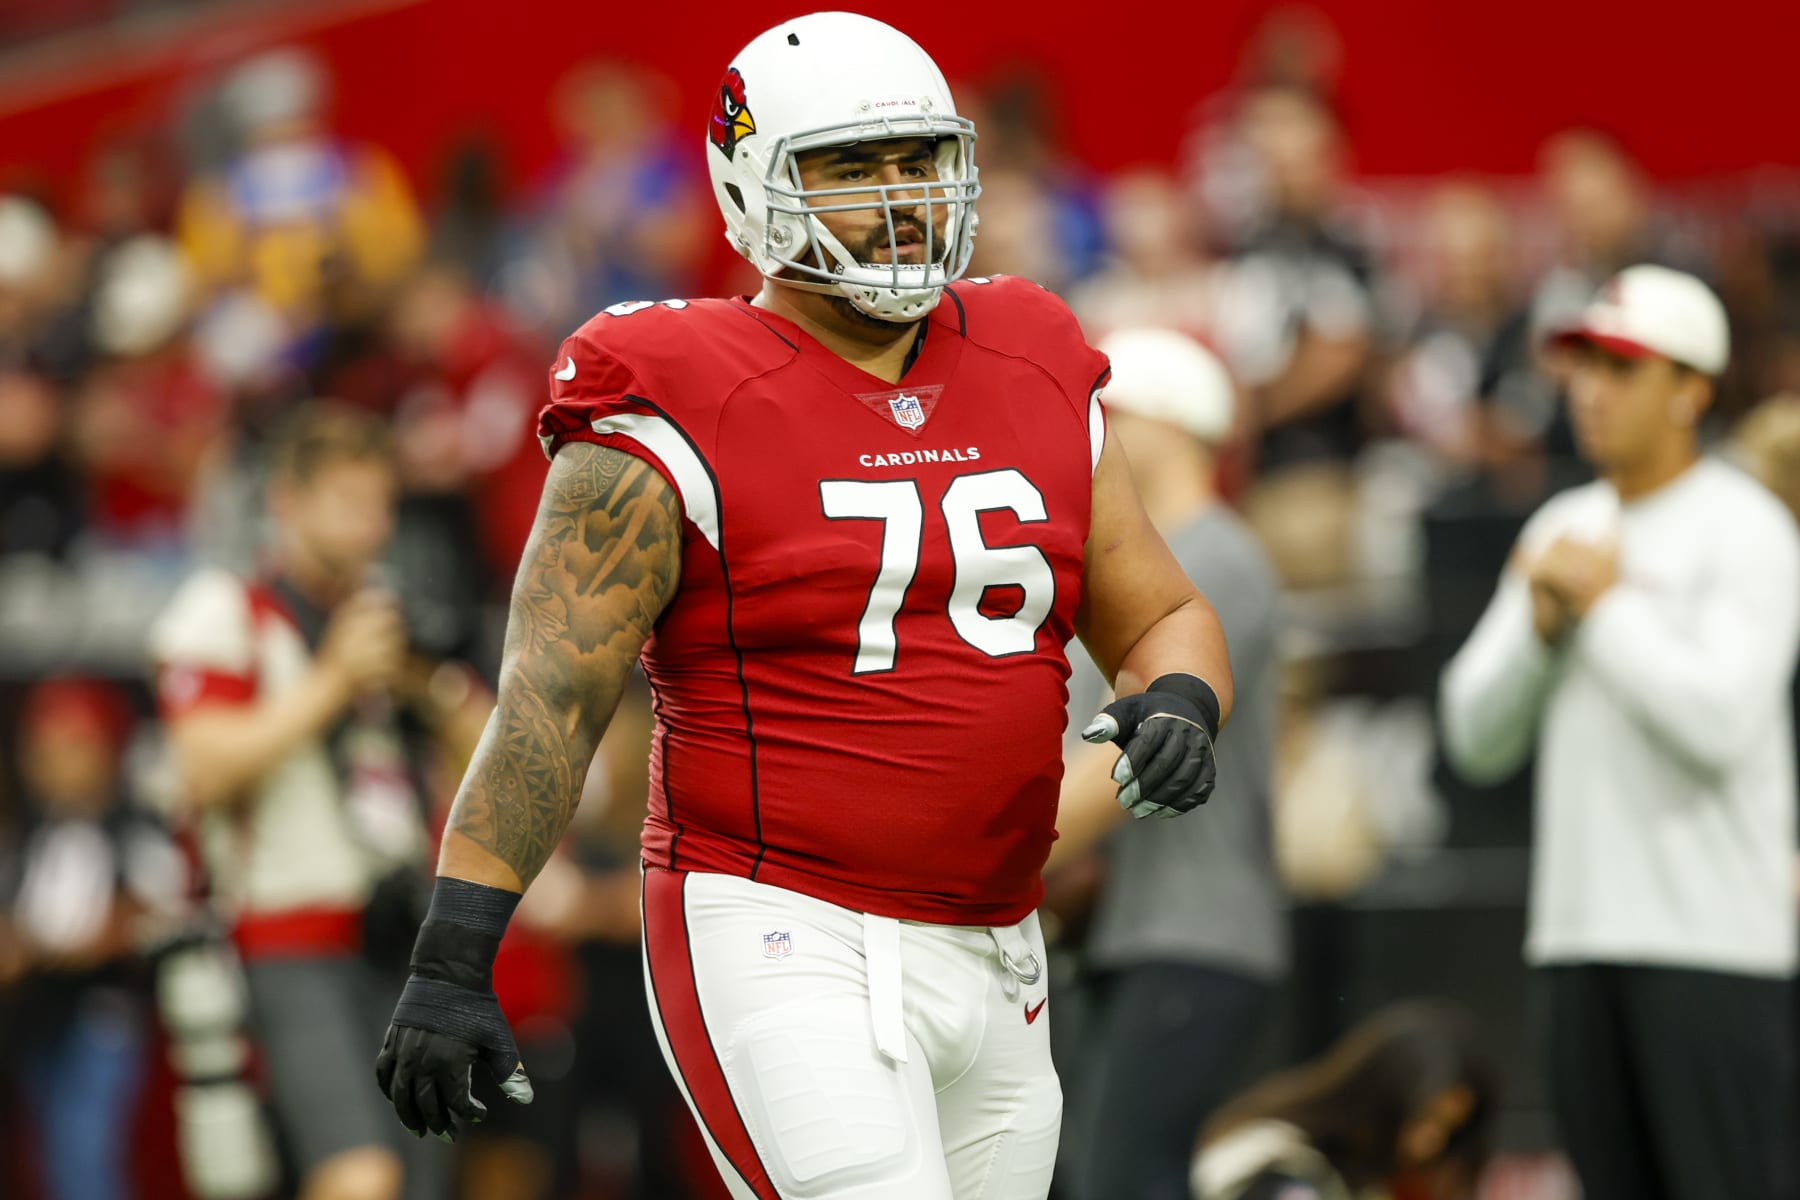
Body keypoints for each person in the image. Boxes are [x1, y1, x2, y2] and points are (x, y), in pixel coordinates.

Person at [372, 13, 1235, 1200]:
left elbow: (1159, 617)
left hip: (999, 939)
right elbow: (550, 701)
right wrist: (457, 949)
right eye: (847, 167)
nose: (896, 197)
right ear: (751, 184)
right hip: (782, 925)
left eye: (917, 159)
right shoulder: (671, 386)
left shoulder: (1031, 347)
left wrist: (1181, 699)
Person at [1439, 265, 1800, 1199]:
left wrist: (1602, 610)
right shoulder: (1568, 522)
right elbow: (1472, 734)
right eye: (1584, 364)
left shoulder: (1749, 528)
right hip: (1577, 938)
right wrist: (1544, 636)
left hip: (1716, 949)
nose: (1591, 390)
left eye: (1623, 368)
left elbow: (1720, 722)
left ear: (1692, 391)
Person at [151, 402, 488, 1200]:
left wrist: (424, 683)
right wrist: (335, 680)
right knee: (358, 1174)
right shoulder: (226, 611)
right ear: (286, 503)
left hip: (400, 934)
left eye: (379, 505)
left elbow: (492, 754)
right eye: (347, 504)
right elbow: (201, 768)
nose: (370, 529)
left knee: (416, 1180)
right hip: (286, 935)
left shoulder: (387, 615)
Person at [1050, 328, 1285, 1200]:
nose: (1094, 436)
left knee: (1125, 1180)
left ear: (1171, 425)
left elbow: (1130, 767)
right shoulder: (1141, 572)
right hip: (1137, 930)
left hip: (1193, 928)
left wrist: (986, 866)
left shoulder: (1217, 557)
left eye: (1113, 414)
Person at [1192, 1001, 1498, 1200]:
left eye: (1449, 1131)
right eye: (1424, 1119)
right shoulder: (1274, 1157)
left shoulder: (1368, 1181)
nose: (1431, 1142)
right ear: (1381, 1096)